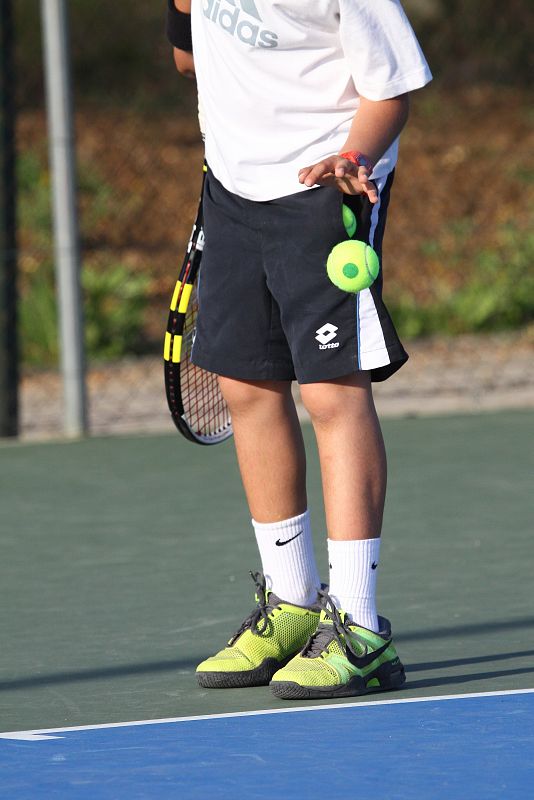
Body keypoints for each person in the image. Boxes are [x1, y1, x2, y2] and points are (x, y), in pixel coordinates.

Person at [167, 0, 431, 700]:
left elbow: (391, 90)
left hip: (325, 189)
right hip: (230, 187)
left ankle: (359, 628)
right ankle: (291, 604)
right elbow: (188, 60)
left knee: (331, 393)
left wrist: (355, 157)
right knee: (245, 385)